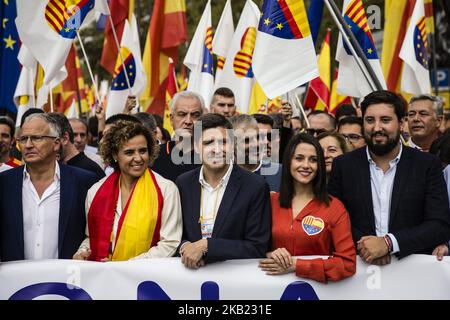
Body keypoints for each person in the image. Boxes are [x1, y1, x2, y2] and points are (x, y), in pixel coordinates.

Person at [328, 90, 450, 265]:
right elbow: (333, 219)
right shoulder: (343, 165)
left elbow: (439, 225)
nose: (377, 128)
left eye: (385, 120)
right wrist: (368, 247)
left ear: (401, 123)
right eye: (370, 120)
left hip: (412, 273)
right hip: (357, 273)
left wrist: (389, 243)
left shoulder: (426, 165)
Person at [73, 120, 182, 261]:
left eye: (143, 151)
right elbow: (91, 237)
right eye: (129, 152)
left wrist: (125, 267)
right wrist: (83, 251)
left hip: (144, 278)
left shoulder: (166, 189)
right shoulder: (96, 191)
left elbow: (170, 243)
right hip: (102, 277)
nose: (138, 158)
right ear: (114, 155)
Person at [176, 114, 271, 269]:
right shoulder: (184, 183)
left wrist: (207, 246)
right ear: (196, 146)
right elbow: (176, 234)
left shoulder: (255, 186)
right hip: (190, 279)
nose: (217, 149)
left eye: (223, 142)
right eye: (208, 142)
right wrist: (186, 248)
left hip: (234, 283)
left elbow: (257, 247)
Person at [259, 133, 356, 283]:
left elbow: (347, 264)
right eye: (299, 158)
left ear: (320, 166)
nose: (306, 165)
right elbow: (251, 247)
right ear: (288, 162)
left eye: (313, 160)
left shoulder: (334, 207)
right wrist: (268, 254)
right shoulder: (270, 201)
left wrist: (297, 265)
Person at [0, 113, 97, 261]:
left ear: (56, 143)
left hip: (66, 280)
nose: (28, 145)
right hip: (15, 281)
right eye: (23, 139)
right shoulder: (4, 183)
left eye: (36, 138)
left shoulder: (84, 182)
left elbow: (94, 233)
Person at [152, 91, 203, 182]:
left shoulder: (210, 157)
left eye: (195, 115)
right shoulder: (154, 156)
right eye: (182, 114)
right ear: (171, 119)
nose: (188, 121)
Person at [230, 114, 281, 192]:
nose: (256, 144)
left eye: (258, 137)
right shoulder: (222, 177)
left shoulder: (280, 173)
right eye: (247, 140)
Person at [49, 113, 105, 181]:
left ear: (65, 138)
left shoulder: (91, 171)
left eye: (82, 135)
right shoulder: (55, 166)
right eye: (74, 135)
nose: (79, 140)